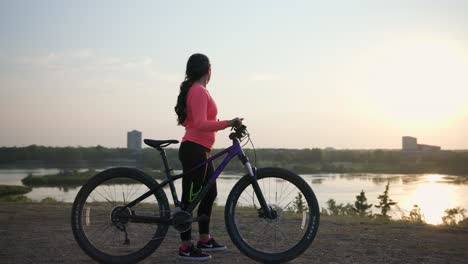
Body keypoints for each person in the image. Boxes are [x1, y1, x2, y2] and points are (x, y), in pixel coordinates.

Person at [174, 53, 243, 261]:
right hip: (194, 150)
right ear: (208, 70)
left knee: (209, 193)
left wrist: (224, 123)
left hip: (202, 150)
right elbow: (201, 124)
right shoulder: (198, 91)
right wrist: (229, 123)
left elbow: (198, 121)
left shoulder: (199, 91)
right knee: (190, 198)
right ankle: (186, 247)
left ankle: (204, 239)